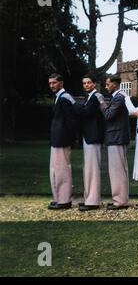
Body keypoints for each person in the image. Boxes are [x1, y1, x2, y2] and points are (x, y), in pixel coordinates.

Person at [97, 75, 130, 210]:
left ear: (115, 84)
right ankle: (118, 199)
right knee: (117, 170)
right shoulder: (117, 97)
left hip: (117, 138)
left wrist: (101, 102)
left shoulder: (119, 97)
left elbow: (109, 115)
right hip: (115, 137)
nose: (106, 87)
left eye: (107, 84)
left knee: (118, 170)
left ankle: (120, 201)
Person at [74, 74, 105, 211]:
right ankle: (89, 198)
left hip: (93, 137)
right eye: (84, 83)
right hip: (88, 137)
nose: (86, 85)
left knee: (92, 169)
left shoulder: (95, 97)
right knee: (88, 169)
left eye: (88, 82)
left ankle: (93, 201)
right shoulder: (89, 98)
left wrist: (73, 103)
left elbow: (86, 113)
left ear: (94, 84)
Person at [47, 73, 76, 210]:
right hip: (56, 139)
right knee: (54, 170)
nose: (52, 85)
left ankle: (64, 200)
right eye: (50, 83)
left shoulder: (65, 98)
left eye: (54, 83)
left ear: (61, 83)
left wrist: (70, 140)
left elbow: (70, 121)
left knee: (62, 170)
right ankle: (58, 198)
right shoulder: (58, 97)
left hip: (63, 140)